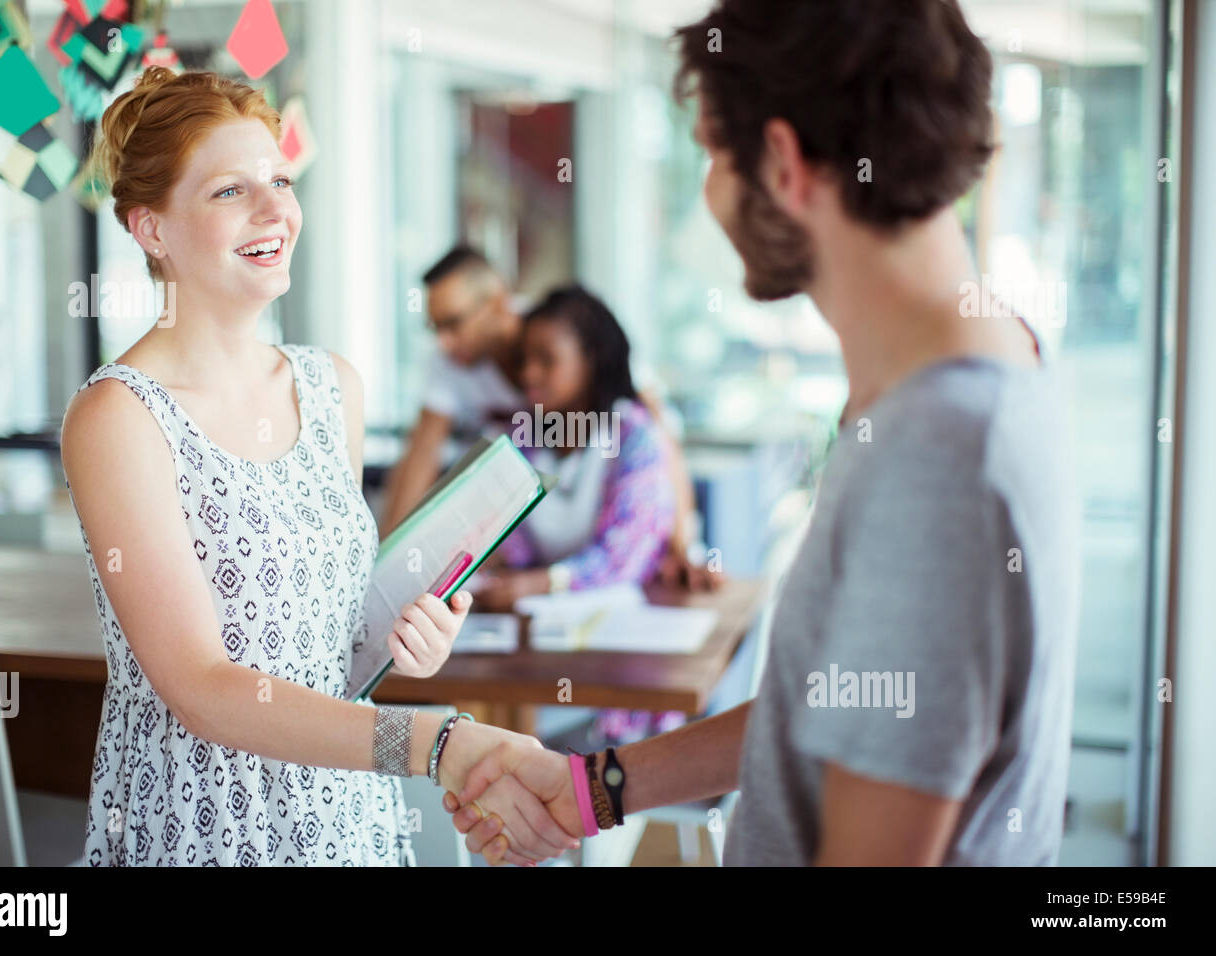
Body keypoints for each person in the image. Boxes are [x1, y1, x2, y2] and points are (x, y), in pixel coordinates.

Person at [443, 0, 1081, 867]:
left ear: (781, 163)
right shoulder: (974, 366)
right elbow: (830, 703)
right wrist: (595, 787)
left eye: (711, 154)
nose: (709, 193)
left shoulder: (936, 453)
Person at [61, 67, 577, 866]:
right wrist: (439, 742)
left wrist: (406, 638)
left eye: (280, 179)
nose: (275, 211)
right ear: (152, 228)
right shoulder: (117, 417)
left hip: (343, 812)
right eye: (230, 191)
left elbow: (329, 646)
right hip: (200, 825)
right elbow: (199, 685)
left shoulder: (331, 385)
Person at [381, 246, 720, 590]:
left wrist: (684, 545)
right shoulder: (460, 376)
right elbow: (420, 456)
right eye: (435, 328)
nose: (444, 342)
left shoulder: (567, 328)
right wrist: (388, 568)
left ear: (498, 302)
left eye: (453, 323)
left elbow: (659, 436)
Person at [476, 284, 689, 745]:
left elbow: (621, 559)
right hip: (539, 653)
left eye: (546, 360)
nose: (529, 374)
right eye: (524, 360)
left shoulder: (634, 436)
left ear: (590, 358)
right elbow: (505, 541)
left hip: (617, 668)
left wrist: (536, 583)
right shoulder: (522, 436)